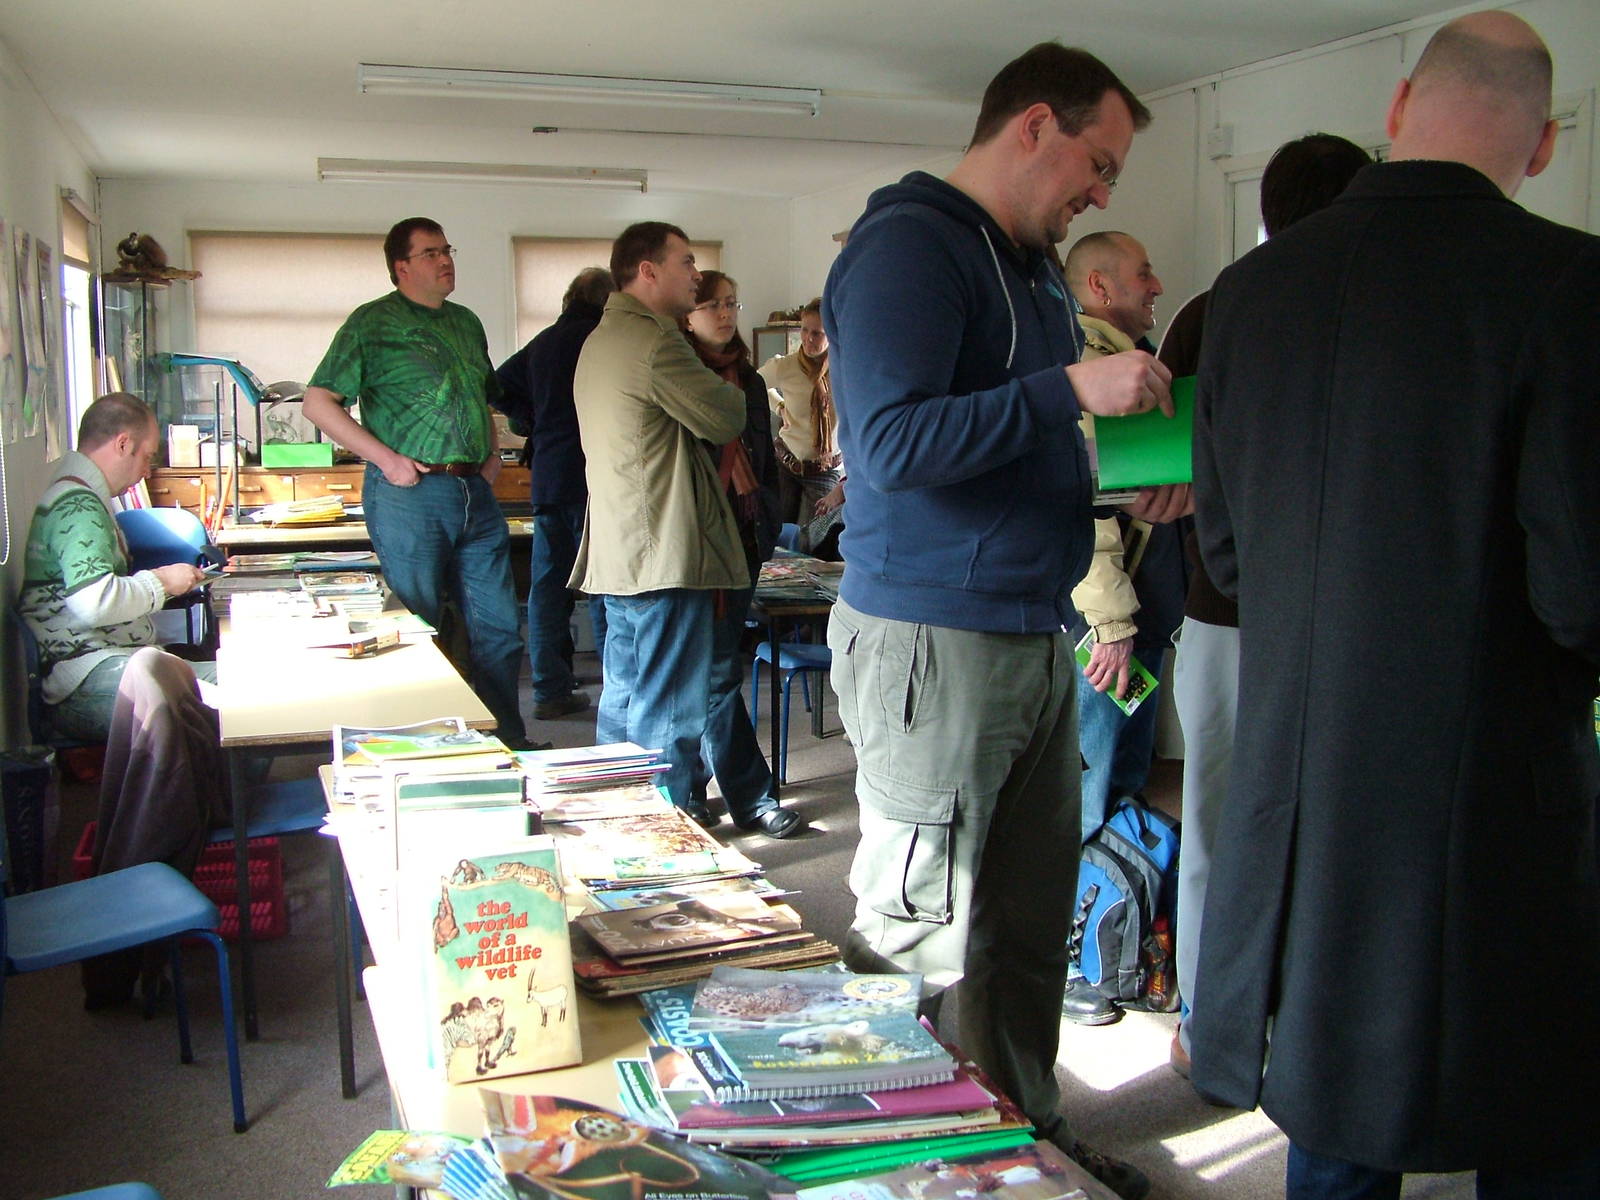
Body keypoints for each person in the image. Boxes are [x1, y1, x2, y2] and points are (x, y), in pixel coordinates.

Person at [1190, 13, 1600, 1197]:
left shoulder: (1251, 291)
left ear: (1396, 110)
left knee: (1334, 1098)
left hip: (1304, 778)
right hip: (1490, 798)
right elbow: (1578, 586)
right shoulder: (1568, 285)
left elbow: (1223, 546)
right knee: (1537, 1104)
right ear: (1544, 142)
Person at [823, 41, 1176, 1200]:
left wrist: (1132, 477)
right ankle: (881, 1162)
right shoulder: (908, 246)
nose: (1103, 195)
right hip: (935, 638)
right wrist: (1071, 389)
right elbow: (889, 446)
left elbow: (1011, 445)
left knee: (1022, 933)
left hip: (1033, 631)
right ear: (1034, 126)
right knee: (919, 931)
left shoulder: (1027, 269)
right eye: (1098, 163)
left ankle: (1015, 1144)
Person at [1162, 133, 1371, 1079]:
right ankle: (1301, 1035)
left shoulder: (1219, 308)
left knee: (1217, 825)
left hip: (1228, 611)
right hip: (1348, 618)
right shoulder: (1384, 313)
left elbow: (1159, 469)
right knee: (1329, 833)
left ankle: (1212, 1030)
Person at [303, 218, 531, 748]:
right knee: (417, 629)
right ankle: (422, 747)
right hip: (410, 495)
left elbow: (483, 394)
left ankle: (506, 741)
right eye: (430, 253)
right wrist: (386, 460)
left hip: (474, 492)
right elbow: (319, 402)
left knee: (499, 629)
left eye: (446, 250)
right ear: (401, 267)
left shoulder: (466, 323)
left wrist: (493, 453)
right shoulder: (371, 323)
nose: (445, 260)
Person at [1056, 231, 1191, 1026]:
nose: (1158, 283)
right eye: (1144, 273)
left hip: (1140, 620)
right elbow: (1088, 510)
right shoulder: (1090, 371)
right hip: (1107, 623)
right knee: (1093, 786)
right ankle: (1075, 962)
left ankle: (1119, 942)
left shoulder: (1138, 365)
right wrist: (1109, 621)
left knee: (1127, 783)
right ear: (1101, 287)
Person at [571, 222, 749, 821]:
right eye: (686, 263)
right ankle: (662, 833)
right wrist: (731, 393)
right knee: (670, 708)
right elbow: (726, 417)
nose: (696, 276)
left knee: (623, 696)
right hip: (664, 552)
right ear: (648, 271)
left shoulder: (601, 337)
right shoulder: (657, 342)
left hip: (622, 552)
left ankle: (619, 820)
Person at [680, 271, 808, 839]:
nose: (726, 313)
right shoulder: (676, 370)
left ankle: (692, 790)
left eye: (731, 302)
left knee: (715, 670)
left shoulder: (750, 380)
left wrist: (768, 524)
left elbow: (763, 450)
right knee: (707, 675)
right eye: (712, 304)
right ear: (688, 312)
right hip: (692, 541)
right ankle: (740, 795)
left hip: (744, 534)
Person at [18, 392, 210, 741]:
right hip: (86, 676)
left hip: (105, 661)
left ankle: (222, 793)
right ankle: (217, 795)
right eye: (147, 456)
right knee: (222, 709)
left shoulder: (82, 495)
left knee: (235, 684)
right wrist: (162, 582)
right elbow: (94, 602)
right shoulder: (78, 507)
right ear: (123, 444)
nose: (147, 470)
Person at [493, 266, 613, 721]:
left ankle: (549, 690)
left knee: (548, 590)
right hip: (596, 477)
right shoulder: (605, 340)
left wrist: (535, 423)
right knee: (606, 586)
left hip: (549, 477)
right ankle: (615, 691)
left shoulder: (543, 342)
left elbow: (499, 387)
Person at [757, 297, 843, 535]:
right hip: (787, 464)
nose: (808, 339)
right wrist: (779, 406)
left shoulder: (844, 369)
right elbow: (755, 384)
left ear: (832, 334)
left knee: (815, 537)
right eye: (805, 330)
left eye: (818, 333)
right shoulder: (786, 366)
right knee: (775, 533)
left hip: (825, 468)